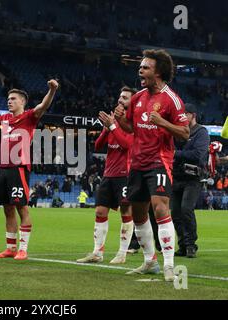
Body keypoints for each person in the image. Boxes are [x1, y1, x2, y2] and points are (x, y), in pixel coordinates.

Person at [114, 49, 190, 281]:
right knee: (139, 214)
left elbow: (185, 133)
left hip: (159, 161)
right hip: (137, 162)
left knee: (159, 208)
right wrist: (120, 120)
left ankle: (169, 265)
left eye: (145, 67)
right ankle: (150, 262)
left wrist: (163, 122)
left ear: (158, 73)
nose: (141, 70)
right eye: (141, 67)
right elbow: (131, 129)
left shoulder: (172, 100)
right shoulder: (137, 98)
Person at [0, 79, 59, 260]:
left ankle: (23, 249)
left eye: (13, 99)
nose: (9, 101)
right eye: (8, 98)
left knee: (22, 208)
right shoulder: (5, 119)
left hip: (19, 167)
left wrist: (52, 90)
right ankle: (10, 248)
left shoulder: (30, 116)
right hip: (4, 168)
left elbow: (43, 105)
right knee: (7, 209)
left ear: (22, 101)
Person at [77, 86, 135, 265]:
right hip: (108, 174)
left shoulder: (133, 123)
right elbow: (98, 146)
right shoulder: (113, 123)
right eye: (119, 97)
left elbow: (126, 145)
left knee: (126, 211)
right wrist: (106, 128)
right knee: (100, 211)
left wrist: (113, 126)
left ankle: (122, 253)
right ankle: (97, 253)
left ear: (132, 102)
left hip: (125, 174)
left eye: (125, 97)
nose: (120, 100)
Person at [171, 103, 210, 258]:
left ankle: (191, 244)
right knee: (175, 214)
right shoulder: (179, 131)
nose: (181, 117)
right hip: (177, 176)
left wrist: (176, 153)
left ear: (192, 115)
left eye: (184, 114)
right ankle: (182, 244)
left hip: (193, 178)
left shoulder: (201, 132)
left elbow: (198, 155)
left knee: (186, 209)